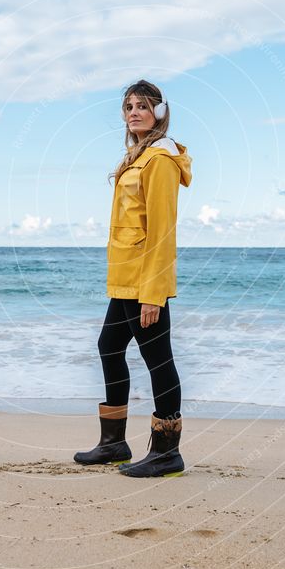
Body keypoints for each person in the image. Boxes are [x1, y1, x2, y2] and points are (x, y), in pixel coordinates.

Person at [74, 79, 192, 477]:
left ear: (159, 111)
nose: (134, 112)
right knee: (109, 346)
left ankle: (166, 452)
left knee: (159, 361)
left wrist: (153, 294)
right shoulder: (135, 157)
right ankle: (114, 444)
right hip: (124, 279)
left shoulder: (159, 160)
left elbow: (162, 231)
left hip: (145, 281)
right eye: (128, 106)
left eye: (143, 105)